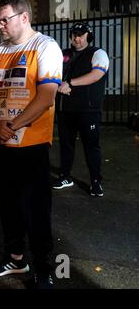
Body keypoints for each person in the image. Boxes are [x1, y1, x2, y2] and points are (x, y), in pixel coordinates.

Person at [0, 0, 62, 288]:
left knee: (37, 210)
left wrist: (10, 125)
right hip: (3, 144)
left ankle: (43, 268)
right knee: (7, 205)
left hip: (32, 145)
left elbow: (47, 96)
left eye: (5, 19)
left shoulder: (45, 46)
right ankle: (15, 259)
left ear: (24, 18)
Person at [53, 22, 110, 197]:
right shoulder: (63, 54)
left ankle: (95, 182)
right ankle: (65, 176)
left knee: (91, 147)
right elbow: (52, 73)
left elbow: (96, 75)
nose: (77, 38)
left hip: (88, 110)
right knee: (66, 145)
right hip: (65, 109)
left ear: (88, 36)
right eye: (74, 34)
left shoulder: (98, 53)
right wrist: (58, 85)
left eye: (81, 34)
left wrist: (70, 83)